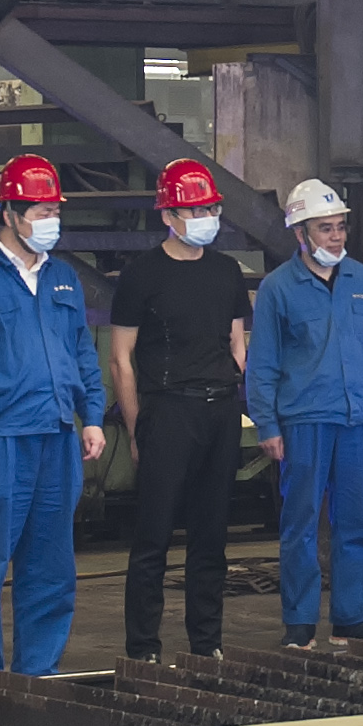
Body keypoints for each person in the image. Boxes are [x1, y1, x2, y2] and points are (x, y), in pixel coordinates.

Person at [0, 154, 107, 677]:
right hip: (0, 440)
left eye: (55, 211)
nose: (51, 221)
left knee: (51, 566)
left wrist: (92, 415)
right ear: (8, 213)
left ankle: (38, 672)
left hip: (56, 436)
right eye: (41, 211)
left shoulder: (63, 279)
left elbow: (82, 353)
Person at [107, 158, 253, 662]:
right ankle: (143, 647)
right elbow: (121, 359)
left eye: (211, 209)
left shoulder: (226, 271)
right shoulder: (141, 275)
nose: (206, 218)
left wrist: (230, 390)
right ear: (168, 215)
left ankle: (206, 644)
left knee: (211, 537)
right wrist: (137, 429)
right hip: (168, 411)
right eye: (195, 210)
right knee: (153, 536)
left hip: (220, 410)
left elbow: (238, 343)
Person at [244, 178, 363, 648]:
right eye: (325, 229)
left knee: (357, 521)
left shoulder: (362, 281)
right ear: (301, 234)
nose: (336, 237)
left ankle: (352, 615)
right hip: (305, 419)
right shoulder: (278, 288)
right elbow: (262, 364)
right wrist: (267, 424)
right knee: (302, 523)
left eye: (340, 227)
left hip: (357, 419)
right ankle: (300, 621)